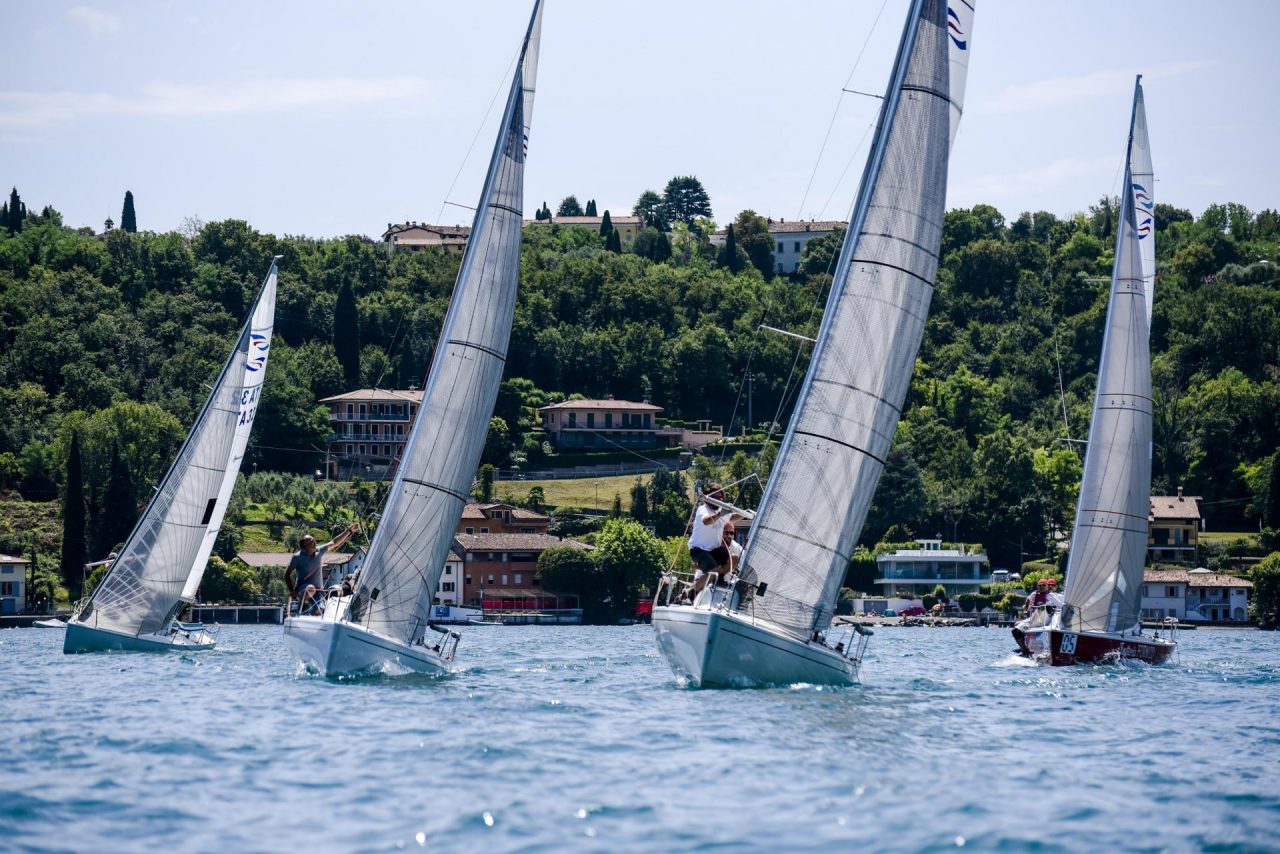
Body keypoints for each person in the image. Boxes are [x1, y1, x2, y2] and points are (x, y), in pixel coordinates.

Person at [286, 523, 360, 614]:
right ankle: (301, 606)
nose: (314, 541)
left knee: (318, 611)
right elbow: (287, 575)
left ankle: (313, 616)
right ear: (304, 545)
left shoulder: (319, 551)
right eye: (311, 540)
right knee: (310, 588)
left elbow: (334, 542)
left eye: (313, 539)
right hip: (303, 589)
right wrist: (292, 590)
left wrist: (349, 530)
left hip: (319, 591)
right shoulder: (297, 557)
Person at [688, 484, 740, 598]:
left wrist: (745, 514)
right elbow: (706, 521)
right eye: (716, 498)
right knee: (713, 571)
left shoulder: (720, 511)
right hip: (699, 550)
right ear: (709, 498)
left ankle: (718, 579)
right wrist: (721, 514)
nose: (719, 500)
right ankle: (692, 592)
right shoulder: (703, 509)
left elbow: (731, 518)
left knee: (734, 559)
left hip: (714, 550)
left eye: (721, 498)